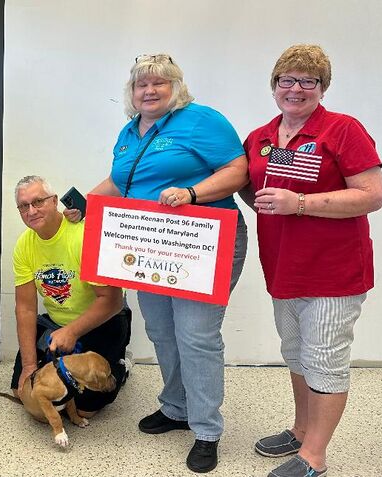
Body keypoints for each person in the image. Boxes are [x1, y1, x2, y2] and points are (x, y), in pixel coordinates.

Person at [69, 54, 248, 473]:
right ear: (131, 93)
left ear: (176, 87)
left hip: (202, 243)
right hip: (147, 244)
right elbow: (120, 182)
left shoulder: (201, 120)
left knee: (196, 335)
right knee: (162, 330)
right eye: (141, 85)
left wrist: (193, 192)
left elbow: (238, 170)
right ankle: (175, 407)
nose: (149, 91)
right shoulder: (129, 131)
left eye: (159, 84)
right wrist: (82, 206)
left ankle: (207, 430)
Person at [242, 44, 382, 477]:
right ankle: (301, 430)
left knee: (324, 359)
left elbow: (372, 195)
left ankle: (314, 459)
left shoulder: (342, 130)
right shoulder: (262, 137)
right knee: (296, 354)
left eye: (309, 81)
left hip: (333, 273)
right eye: (287, 79)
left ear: (322, 89)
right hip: (284, 269)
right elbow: (252, 187)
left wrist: (299, 203)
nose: (297, 89)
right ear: (274, 86)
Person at [10, 175, 130, 416]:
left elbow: (113, 301)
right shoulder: (24, 245)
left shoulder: (84, 236)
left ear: (54, 201)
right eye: (24, 206)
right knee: (22, 391)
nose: (31, 211)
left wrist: (72, 331)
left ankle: (120, 366)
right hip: (56, 322)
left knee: (85, 409)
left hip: (103, 320)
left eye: (38, 202)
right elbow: (25, 308)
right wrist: (30, 365)